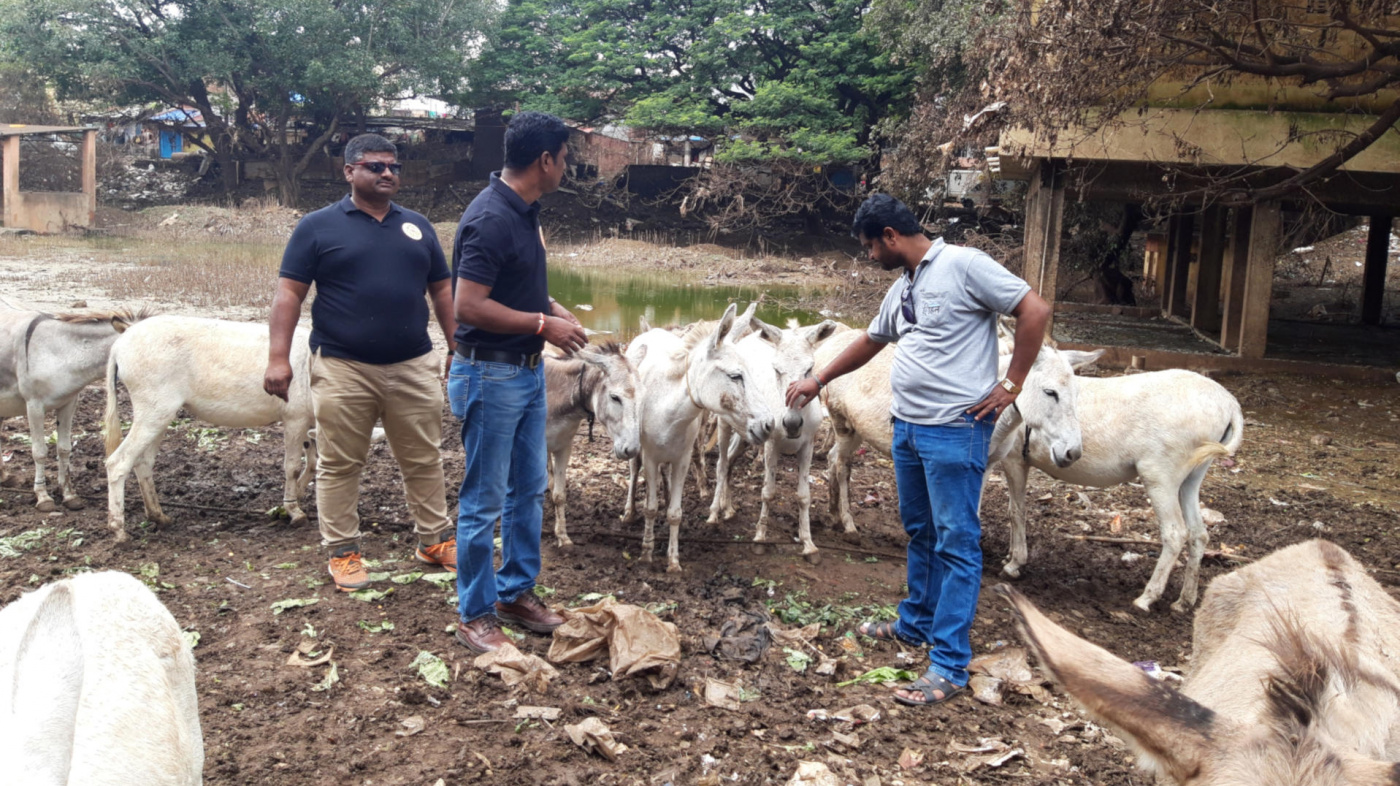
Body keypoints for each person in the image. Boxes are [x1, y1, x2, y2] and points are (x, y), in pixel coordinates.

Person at [786, 193, 1051, 706]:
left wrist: (1012, 385)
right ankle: (916, 623)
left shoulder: (964, 265)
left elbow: (1034, 309)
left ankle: (950, 663)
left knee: (957, 541)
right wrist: (818, 378)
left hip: (955, 429)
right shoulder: (905, 283)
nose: (869, 258)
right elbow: (872, 339)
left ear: (890, 236)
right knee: (920, 530)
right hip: (907, 427)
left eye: (869, 247)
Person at [265, 133, 459, 591]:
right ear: (349, 171)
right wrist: (278, 357)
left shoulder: (418, 226)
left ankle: (433, 540)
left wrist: (457, 347)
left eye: (394, 167)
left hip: (413, 364)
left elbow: (443, 291)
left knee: (424, 458)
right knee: (339, 463)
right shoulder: (317, 227)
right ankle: (344, 551)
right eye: (375, 166)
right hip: (343, 366)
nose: (388, 173)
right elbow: (289, 294)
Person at [450, 111, 588, 654]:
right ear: (545, 160)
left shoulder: (525, 212)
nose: (568, 168)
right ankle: (476, 613)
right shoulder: (490, 217)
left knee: (527, 489)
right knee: (484, 502)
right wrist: (540, 324)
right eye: (566, 158)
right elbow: (468, 305)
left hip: (527, 373)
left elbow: (517, 286)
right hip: (490, 373)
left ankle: (515, 592)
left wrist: (554, 312)